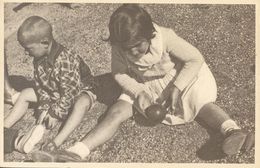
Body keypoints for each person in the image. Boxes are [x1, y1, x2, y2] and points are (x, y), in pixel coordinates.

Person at [32, 4, 254, 162]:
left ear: (150, 34)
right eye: (128, 50)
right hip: (141, 84)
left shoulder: (166, 37)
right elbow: (119, 74)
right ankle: (76, 152)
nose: (134, 53)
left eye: (138, 46)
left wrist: (177, 88)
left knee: (201, 103)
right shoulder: (121, 48)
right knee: (116, 111)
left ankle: (231, 131)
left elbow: (195, 59)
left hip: (177, 77)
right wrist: (138, 92)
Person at [4, 16, 97, 154]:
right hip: (55, 91)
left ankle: (56, 142)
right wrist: (45, 105)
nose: (26, 52)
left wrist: (54, 113)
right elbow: (41, 86)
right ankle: (4, 126)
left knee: (81, 104)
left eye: (28, 48)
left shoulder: (66, 60)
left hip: (79, 90)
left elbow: (70, 92)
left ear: (45, 42)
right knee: (24, 94)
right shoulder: (38, 58)